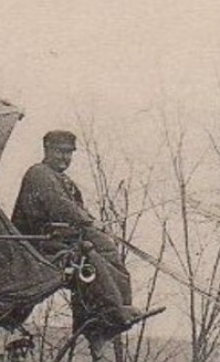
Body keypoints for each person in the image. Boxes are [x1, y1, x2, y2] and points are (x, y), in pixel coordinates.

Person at [10, 130, 149, 340]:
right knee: (91, 258)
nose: (65, 158)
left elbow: (78, 209)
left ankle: (122, 305)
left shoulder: (65, 181)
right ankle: (109, 313)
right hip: (36, 244)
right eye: (60, 152)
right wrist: (89, 222)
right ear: (47, 150)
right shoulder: (39, 173)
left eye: (69, 153)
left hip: (59, 239)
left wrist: (94, 225)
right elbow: (60, 206)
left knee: (107, 248)